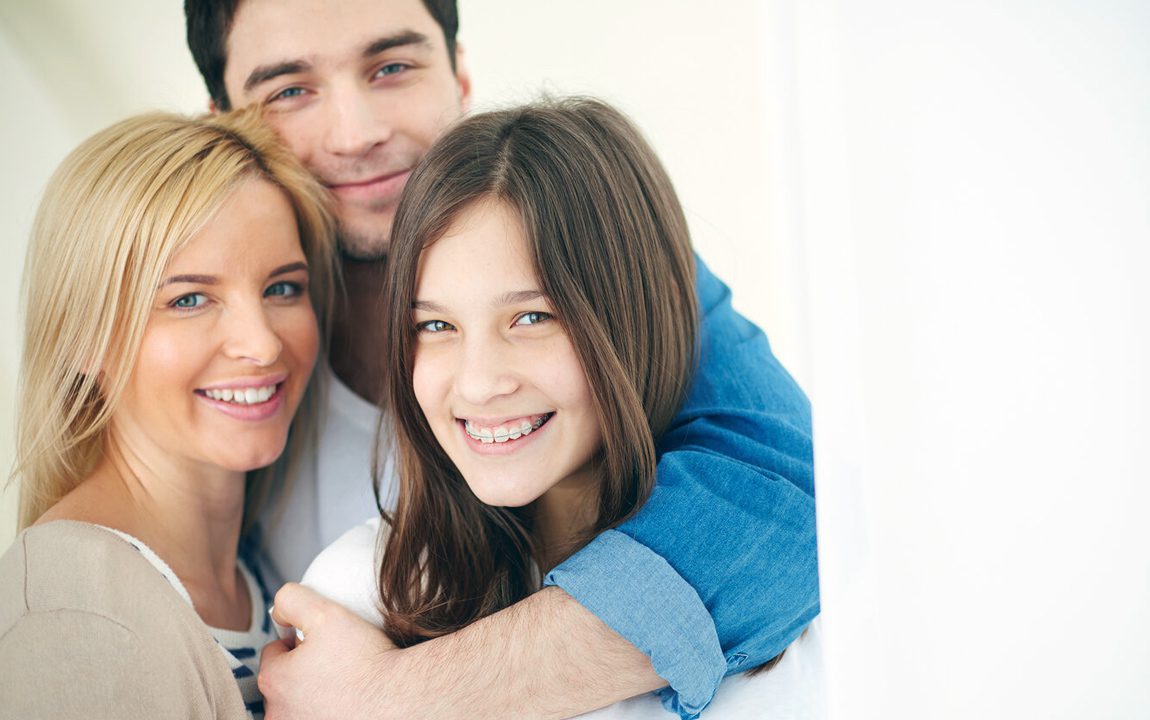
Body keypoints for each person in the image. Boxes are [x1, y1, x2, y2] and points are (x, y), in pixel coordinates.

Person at [185, 1, 818, 717]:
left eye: (392, 67)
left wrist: (395, 698)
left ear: (458, 75)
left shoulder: (614, 266)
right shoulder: (220, 356)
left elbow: (787, 512)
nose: (355, 134)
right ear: (223, 125)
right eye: (291, 91)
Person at [0, 109, 336, 719]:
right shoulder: (74, 612)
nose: (261, 344)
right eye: (189, 299)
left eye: (282, 288)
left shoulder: (254, 569)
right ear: (83, 338)